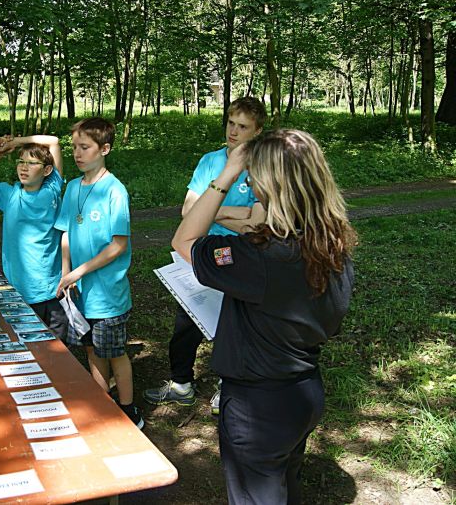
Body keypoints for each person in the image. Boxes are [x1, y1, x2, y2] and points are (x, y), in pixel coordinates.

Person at [172, 129, 356, 504]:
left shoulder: (258, 257)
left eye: (255, 176)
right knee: (285, 484)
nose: (252, 184)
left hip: (257, 406)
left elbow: (184, 241)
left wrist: (226, 174)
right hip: (303, 392)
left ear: (272, 185)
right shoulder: (331, 245)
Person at [143, 97, 267, 412]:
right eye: (231, 123)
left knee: (233, 324)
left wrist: (210, 210)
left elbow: (256, 225)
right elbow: (188, 210)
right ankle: (181, 384)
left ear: (258, 131)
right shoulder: (210, 161)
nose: (233, 132)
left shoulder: (262, 166)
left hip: (239, 257)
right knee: (187, 320)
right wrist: (232, 214)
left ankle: (227, 388)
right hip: (200, 252)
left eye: (243, 127)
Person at [55, 117, 144, 429]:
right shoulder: (72, 188)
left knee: (114, 353)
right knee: (92, 350)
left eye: (85, 147)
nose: (77, 154)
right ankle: (103, 406)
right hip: (79, 293)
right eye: (74, 148)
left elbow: (118, 245)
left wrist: (79, 271)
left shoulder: (114, 191)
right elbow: (66, 232)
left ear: (104, 149)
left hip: (108, 294)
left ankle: (129, 411)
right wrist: (66, 273)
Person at [0, 134, 69, 340]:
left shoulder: (52, 190)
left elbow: (54, 141)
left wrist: (17, 142)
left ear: (47, 170)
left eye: (32, 163)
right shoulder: (9, 195)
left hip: (51, 291)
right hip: (18, 293)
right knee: (25, 348)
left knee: (57, 350)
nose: (24, 167)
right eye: (21, 162)